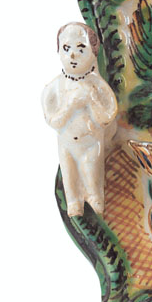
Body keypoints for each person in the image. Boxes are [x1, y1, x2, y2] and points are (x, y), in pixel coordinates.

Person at [42, 22, 118, 217]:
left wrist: (91, 100)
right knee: (70, 183)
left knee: (93, 183)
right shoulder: (55, 87)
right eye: (66, 48)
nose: (73, 55)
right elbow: (54, 122)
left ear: (93, 52)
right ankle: (74, 205)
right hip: (66, 145)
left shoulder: (96, 85)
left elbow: (108, 116)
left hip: (91, 144)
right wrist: (70, 105)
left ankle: (96, 204)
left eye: (81, 48)